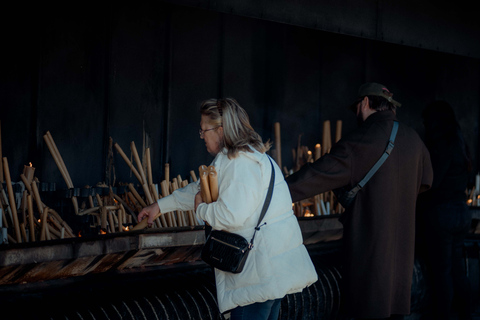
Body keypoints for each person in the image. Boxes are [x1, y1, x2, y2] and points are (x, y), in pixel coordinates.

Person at [138, 98, 318, 320]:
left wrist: (201, 210)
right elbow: (201, 189)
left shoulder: (240, 163)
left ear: (221, 130)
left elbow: (231, 214)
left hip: (257, 276)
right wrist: (160, 206)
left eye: (204, 130)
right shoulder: (243, 158)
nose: (202, 135)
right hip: (265, 273)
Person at [285, 82, 433, 320]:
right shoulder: (414, 139)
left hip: (370, 250)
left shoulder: (363, 138)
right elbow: (426, 181)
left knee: (370, 308)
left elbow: (320, 174)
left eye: (357, 107)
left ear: (365, 103)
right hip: (402, 256)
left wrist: (276, 190)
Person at [416, 100, 473, 320]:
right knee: (457, 271)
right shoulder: (459, 143)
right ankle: (465, 316)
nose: (424, 125)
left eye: (426, 120)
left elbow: (432, 182)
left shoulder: (440, 144)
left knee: (442, 274)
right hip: (461, 212)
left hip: (442, 214)